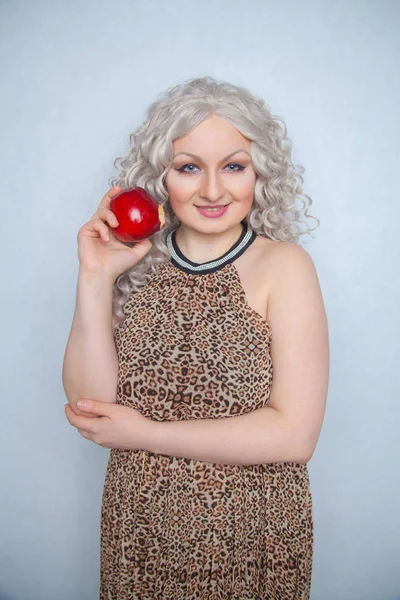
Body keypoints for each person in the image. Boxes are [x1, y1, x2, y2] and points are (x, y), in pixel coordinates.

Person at [62, 75, 329, 600]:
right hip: (137, 533)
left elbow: (295, 436)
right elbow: (90, 407)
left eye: (233, 166)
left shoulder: (284, 266)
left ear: (260, 172)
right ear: (161, 178)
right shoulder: (138, 265)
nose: (212, 190)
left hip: (248, 536)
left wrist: (145, 434)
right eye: (189, 168)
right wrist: (96, 277)